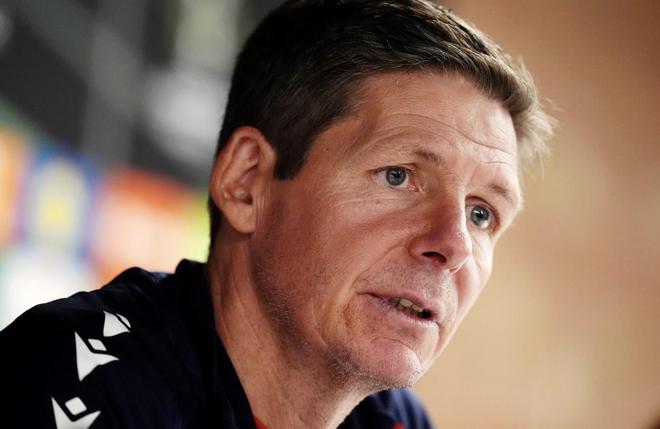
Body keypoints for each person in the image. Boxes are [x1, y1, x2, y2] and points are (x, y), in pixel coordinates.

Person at [0, 1, 553, 428]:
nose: (453, 245)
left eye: (482, 214)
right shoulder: (75, 377)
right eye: (398, 176)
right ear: (247, 184)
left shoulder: (394, 419)